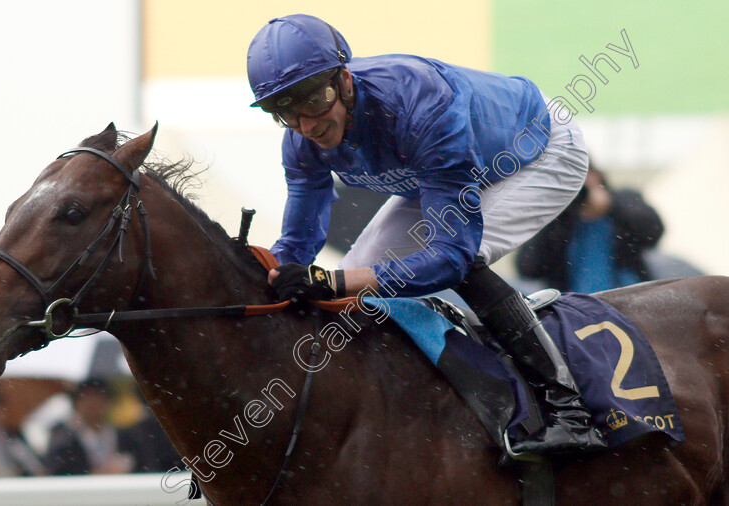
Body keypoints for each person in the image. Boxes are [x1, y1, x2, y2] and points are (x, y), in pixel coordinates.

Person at [246, 14, 606, 455]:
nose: (307, 126)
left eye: (315, 100)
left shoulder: (421, 104)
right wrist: (265, 270)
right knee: (354, 290)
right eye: (284, 110)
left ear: (344, 80)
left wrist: (330, 281)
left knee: (462, 264)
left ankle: (570, 411)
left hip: (538, 149)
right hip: (443, 170)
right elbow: (298, 244)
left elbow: (450, 256)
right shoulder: (302, 137)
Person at [516, 164, 664, 293]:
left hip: (628, 303)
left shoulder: (623, 200)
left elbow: (654, 231)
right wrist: (557, 214)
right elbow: (527, 268)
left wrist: (612, 205)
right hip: (576, 313)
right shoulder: (560, 219)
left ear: (596, 175)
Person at [45, 379, 133, 476]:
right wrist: (95, 474)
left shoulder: (126, 437)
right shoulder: (63, 440)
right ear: (76, 404)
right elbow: (57, 474)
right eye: (86, 398)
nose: (92, 405)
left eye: (98, 398)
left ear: (108, 402)